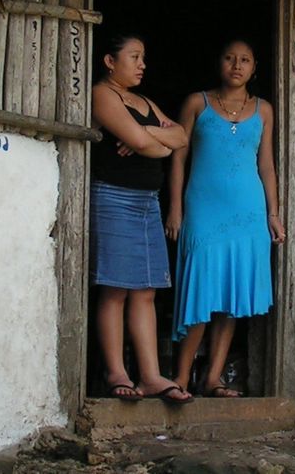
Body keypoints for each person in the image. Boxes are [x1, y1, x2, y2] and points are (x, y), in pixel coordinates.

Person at [166, 39, 285, 398]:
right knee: (200, 293)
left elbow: (266, 165)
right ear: (219, 63)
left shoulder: (264, 110)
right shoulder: (195, 103)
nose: (237, 65)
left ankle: (212, 378)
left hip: (247, 212)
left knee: (232, 299)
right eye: (230, 57)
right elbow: (177, 159)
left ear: (254, 67)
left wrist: (273, 213)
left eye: (245, 59)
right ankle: (181, 378)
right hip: (203, 208)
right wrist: (175, 208)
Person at [90, 34, 194, 405]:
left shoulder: (144, 101)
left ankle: (150, 376)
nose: (141, 64)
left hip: (147, 202)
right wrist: (151, 139)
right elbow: (150, 144)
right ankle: (116, 372)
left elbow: (180, 137)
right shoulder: (104, 94)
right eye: (134, 57)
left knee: (146, 290)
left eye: (143, 57)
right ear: (109, 61)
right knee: (116, 287)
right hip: (115, 197)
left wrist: (148, 133)